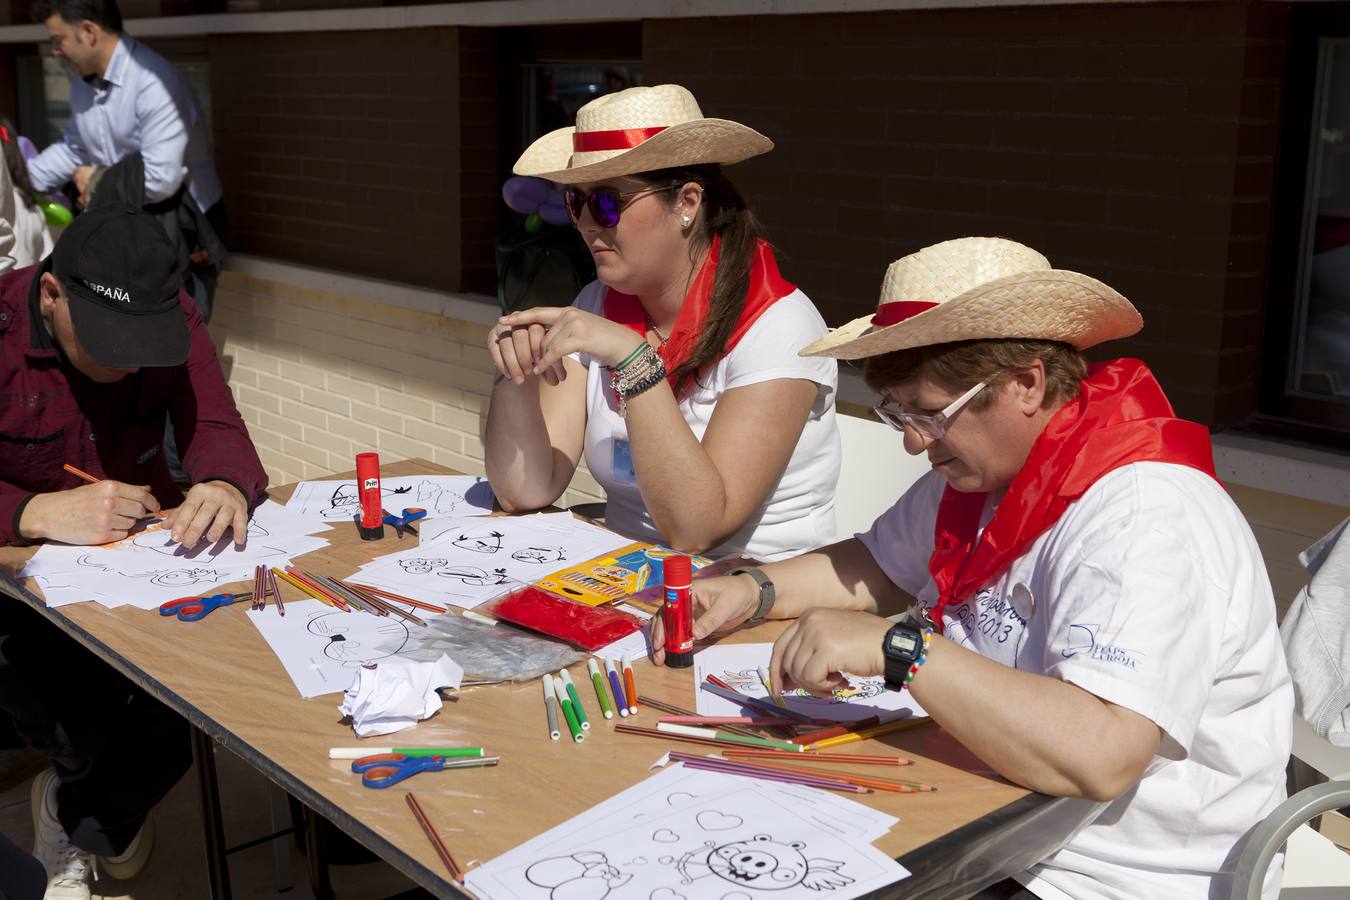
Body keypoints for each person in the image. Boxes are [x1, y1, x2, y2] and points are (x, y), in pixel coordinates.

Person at [654, 237, 1294, 899]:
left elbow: (1104, 754)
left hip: (1111, 877)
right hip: (993, 828)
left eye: (929, 413)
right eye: (898, 412)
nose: (910, 441)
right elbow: (876, 563)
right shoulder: (984, 475)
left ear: (1026, 382)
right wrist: (750, 590)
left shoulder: (1141, 513)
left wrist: (902, 647)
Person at [0, 204, 266, 899]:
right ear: (51, 294)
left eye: (139, 346)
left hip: (142, 567)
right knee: (70, 711)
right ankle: (89, 795)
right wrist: (31, 510)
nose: (125, 364)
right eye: (107, 345)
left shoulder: (170, 312)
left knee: (199, 702)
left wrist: (220, 481)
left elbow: (212, 417)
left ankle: (79, 818)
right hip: (19, 584)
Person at [485, 84, 840, 561]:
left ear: (687, 203)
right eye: (577, 203)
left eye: (607, 202)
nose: (588, 224)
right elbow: (525, 490)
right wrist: (516, 370)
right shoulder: (596, 303)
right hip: (628, 580)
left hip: (759, 597)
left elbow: (696, 528)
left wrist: (633, 361)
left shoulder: (780, 325)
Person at [26, 0, 226, 319]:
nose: (55, 52)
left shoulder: (155, 82)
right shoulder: (82, 86)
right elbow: (75, 149)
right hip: (129, 226)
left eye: (57, 39)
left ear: (89, 32)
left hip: (182, 233)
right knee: (131, 340)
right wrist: (16, 178)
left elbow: (162, 177)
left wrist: (95, 181)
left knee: (182, 342)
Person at [0, 117, 54, 269]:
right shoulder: (31, 206)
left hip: (8, 287)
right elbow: (48, 260)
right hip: (26, 287)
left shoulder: (11, 202)